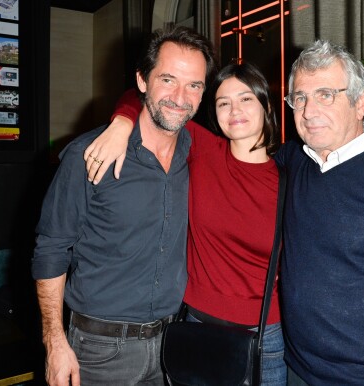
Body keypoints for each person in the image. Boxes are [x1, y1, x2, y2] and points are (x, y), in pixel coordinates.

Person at [85, 40, 364, 386]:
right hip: (296, 367)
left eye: (326, 94)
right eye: (301, 98)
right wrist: (122, 121)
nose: (310, 111)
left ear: (361, 101)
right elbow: (161, 105)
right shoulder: (297, 162)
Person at [31, 25, 216, 386]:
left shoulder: (198, 152)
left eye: (194, 85)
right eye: (168, 80)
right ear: (142, 81)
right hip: (99, 351)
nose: (181, 96)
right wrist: (54, 342)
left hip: (173, 346)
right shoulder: (89, 156)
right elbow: (51, 249)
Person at [85, 62, 287, 385]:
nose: (234, 109)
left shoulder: (289, 181)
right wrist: (122, 122)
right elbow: (149, 99)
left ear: (266, 104)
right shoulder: (202, 148)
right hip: (195, 327)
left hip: (263, 336)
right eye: (223, 102)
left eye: (246, 99)